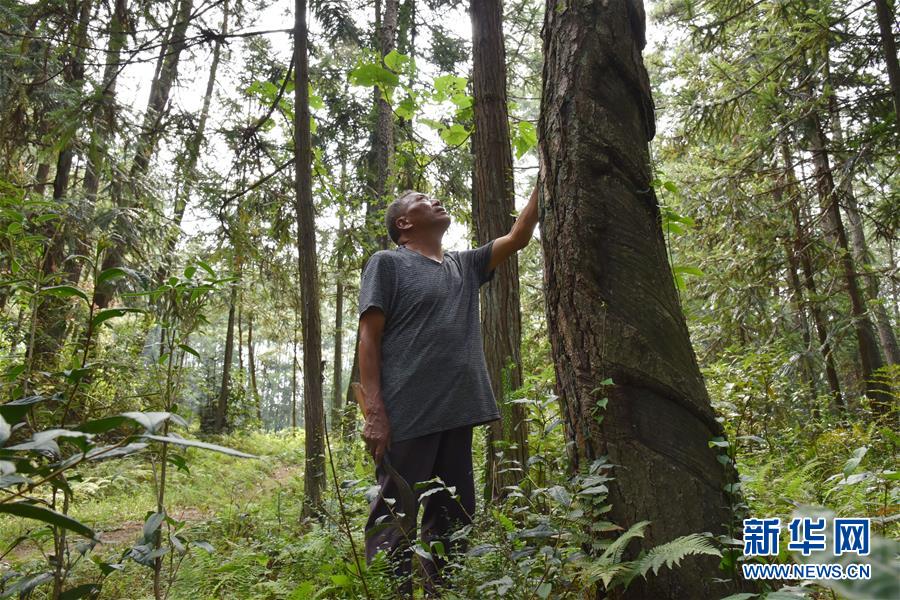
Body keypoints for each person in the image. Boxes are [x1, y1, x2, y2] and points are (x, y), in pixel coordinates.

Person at [358, 184, 540, 595]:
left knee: (455, 513)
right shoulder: (386, 264)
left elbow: (518, 237)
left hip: (458, 412)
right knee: (395, 515)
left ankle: (443, 589)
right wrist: (375, 412)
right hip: (408, 414)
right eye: (421, 200)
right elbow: (368, 339)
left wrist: (544, 180)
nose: (434, 199)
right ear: (404, 223)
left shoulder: (464, 265)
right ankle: (394, 592)